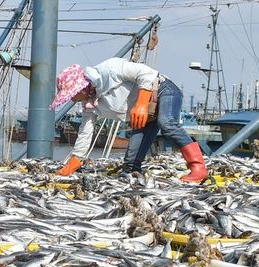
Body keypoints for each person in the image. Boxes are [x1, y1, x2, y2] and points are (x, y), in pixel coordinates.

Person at [51, 59, 207, 183]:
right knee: (130, 168)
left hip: (162, 91)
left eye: (71, 94)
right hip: (145, 116)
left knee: (167, 123)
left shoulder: (109, 69)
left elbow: (146, 73)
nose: (71, 98)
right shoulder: (89, 104)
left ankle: (198, 168)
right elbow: (86, 131)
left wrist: (141, 104)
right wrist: (76, 159)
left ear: (81, 87)